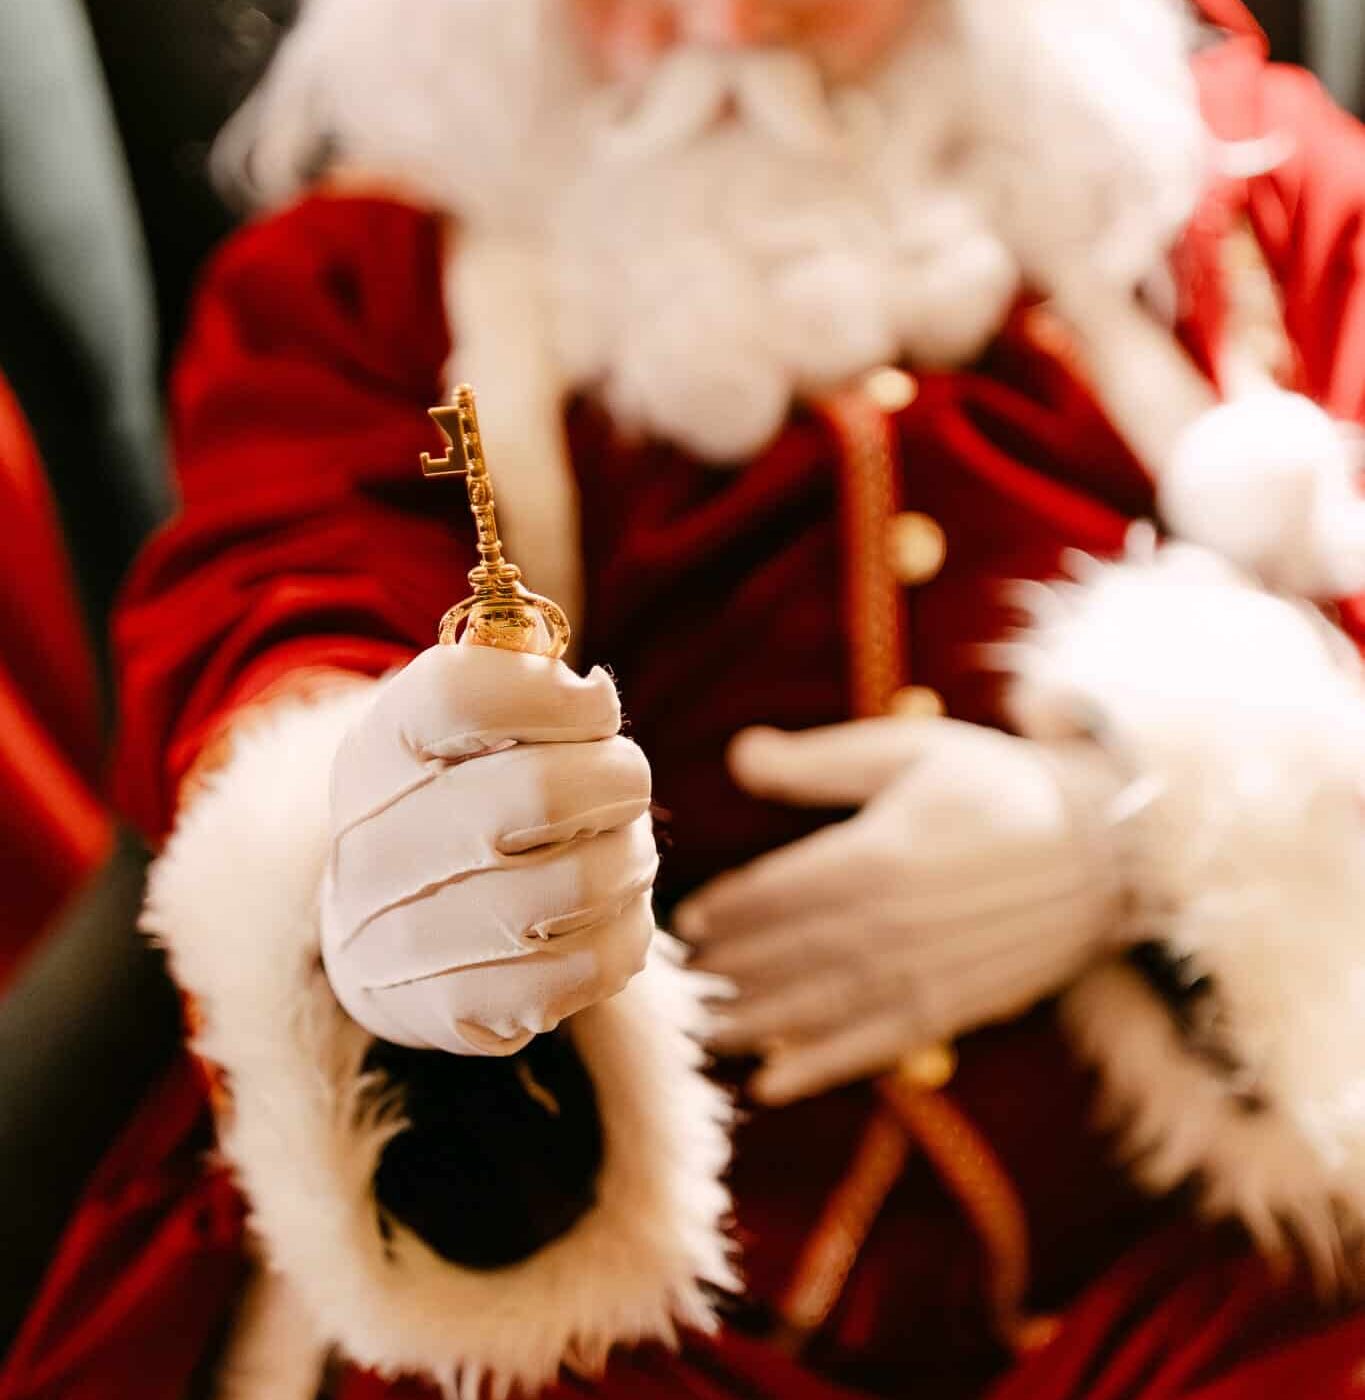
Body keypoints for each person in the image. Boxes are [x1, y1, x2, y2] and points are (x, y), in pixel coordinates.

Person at [10, 1, 1365, 1397]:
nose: (722, 28)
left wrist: (1133, 828)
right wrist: (379, 852)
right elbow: (277, 605)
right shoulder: (366, 278)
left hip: (1212, 1265)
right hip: (604, 1302)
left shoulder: (1259, 199)